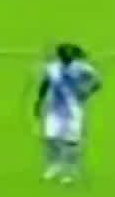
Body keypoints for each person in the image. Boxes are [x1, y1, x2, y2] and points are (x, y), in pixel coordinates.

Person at [34, 42, 101, 183]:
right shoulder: (52, 68)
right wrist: (39, 101)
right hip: (54, 109)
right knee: (50, 138)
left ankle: (70, 171)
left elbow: (97, 82)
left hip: (74, 110)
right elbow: (45, 84)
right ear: (60, 56)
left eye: (69, 55)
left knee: (71, 141)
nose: (67, 57)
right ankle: (54, 166)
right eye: (65, 55)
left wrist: (86, 92)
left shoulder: (82, 68)